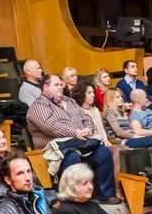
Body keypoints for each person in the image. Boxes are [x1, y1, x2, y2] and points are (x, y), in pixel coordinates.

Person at [26, 74, 118, 203]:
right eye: (56, 85)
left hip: (79, 144)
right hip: (54, 150)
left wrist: (88, 129)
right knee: (72, 157)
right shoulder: (39, 106)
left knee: (103, 152)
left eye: (60, 85)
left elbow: (86, 117)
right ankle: (73, 199)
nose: (60, 88)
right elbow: (50, 126)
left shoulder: (69, 101)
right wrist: (75, 132)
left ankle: (106, 195)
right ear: (45, 87)